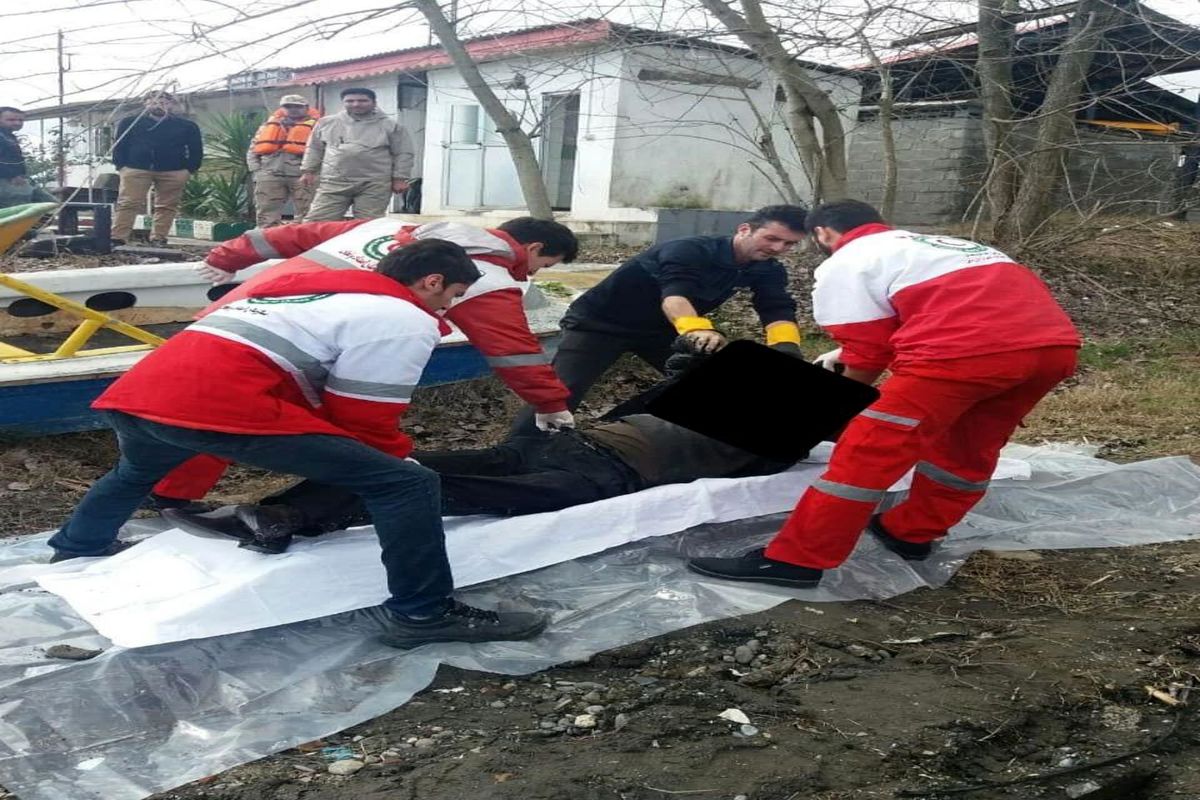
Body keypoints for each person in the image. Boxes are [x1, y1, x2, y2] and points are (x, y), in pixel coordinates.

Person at [46, 238, 547, 649]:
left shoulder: (303, 292)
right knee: (407, 484)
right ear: (431, 281)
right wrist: (394, 459)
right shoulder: (400, 316)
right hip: (212, 403)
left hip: (140, 394)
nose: (449, 307)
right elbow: (364, 415)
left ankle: (78, 548)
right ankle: (423, 613)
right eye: (452, 294)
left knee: (135, 472)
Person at [687, 200, 1081, 589]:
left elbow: (868, 355)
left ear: (822, 234)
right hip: (1052, 350)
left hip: (960, 356)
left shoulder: (849, 259)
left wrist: (815, 413)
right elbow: (935, 313)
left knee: (868, 452)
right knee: (968, 446)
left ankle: (794, 561)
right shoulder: (945, 247)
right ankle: (911, 532)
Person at [162, 353, 798, 554]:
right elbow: (655, 395)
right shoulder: (704, 411)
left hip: (603, 469)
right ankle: (269, 511)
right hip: (574, 450)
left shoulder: (756, 438)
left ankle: (284, 517)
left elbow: (773, 460)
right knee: (421, 469)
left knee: (432, 484)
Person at [146, 216, 580, 507]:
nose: (535, 273)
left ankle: (159, 491)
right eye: (544, 263)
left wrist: (230, 256)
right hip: (309, 346)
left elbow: (292, 235)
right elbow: (514, 352)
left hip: (243, 313)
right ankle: (323, 498)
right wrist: (550, 404)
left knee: (202, 409)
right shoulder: (488, 277)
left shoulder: (392, 225)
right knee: (255, 420)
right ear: (534, 246)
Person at [509, 205, 808, 436]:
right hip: (599, 325)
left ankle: (676, 438)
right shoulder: (689, 250)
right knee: (561, 391)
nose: (778, 249)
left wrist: (787, 350)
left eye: (789, 244)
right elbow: (675, 296)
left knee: (718, 382)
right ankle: (518, 450)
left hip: (660, 331)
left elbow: (776, 307)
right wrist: (699, 331)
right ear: (745, 229)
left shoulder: (767, 268)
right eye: (772, 239)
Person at [301, 88, 414, 221]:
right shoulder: (326, 123)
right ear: (343, 103)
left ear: (374, 102)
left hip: (374, 183)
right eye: (350, 101)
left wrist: (400, 178)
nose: (356, 104)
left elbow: (403, 152)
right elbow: (314, 148)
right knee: (316, 222)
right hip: (333, 182)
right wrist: (308, 171)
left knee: (367, 225)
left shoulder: (390, 125)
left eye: (362, 100)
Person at [111, 91, 203, 247]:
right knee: (129, 203)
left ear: (171, 104)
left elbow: (196, 150)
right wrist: (121, 166)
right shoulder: (130, 123)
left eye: (164, 101)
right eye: (154, 101)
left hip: (174, 171)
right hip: (136, 168)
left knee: (166, 206)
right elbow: (119, 146)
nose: (159, 104)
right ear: (145, 103)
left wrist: (188, 170)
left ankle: (159, 238)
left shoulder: (186, 126)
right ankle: (118, 238)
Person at [247, 95, 320, 227]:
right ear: (282, 108)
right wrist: (256, 171)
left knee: (308, 212)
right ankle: (267, 242)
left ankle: (303, 243)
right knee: (266, 213)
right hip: (270, 173)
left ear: (306, 108)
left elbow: (324, 150)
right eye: (288, 106)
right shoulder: (267, 126)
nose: (293, 109)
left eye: (297, 106)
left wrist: (315, 172)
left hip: (303, 175)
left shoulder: (318, 127)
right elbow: (253, 149)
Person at [0, 106, 57, 210]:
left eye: (20, 120)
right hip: (7, 181)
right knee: (17, 211)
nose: (17, 123)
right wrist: (12, 175)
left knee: (50, 203)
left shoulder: (8, 136)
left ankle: (34, 225)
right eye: (11, 120)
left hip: (19, 179)